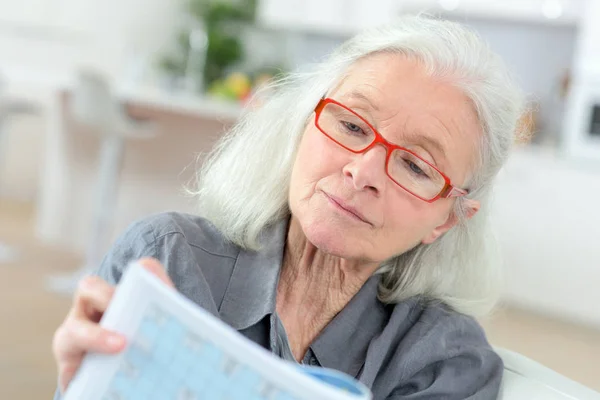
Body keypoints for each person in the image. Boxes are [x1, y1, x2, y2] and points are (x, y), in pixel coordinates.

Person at [52, 15, 526, 400]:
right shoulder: (168, 261)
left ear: (447, 218)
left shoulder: (443, 362)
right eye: (352, 126)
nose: (363, 172)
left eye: (416, 166)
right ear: (304, 123)